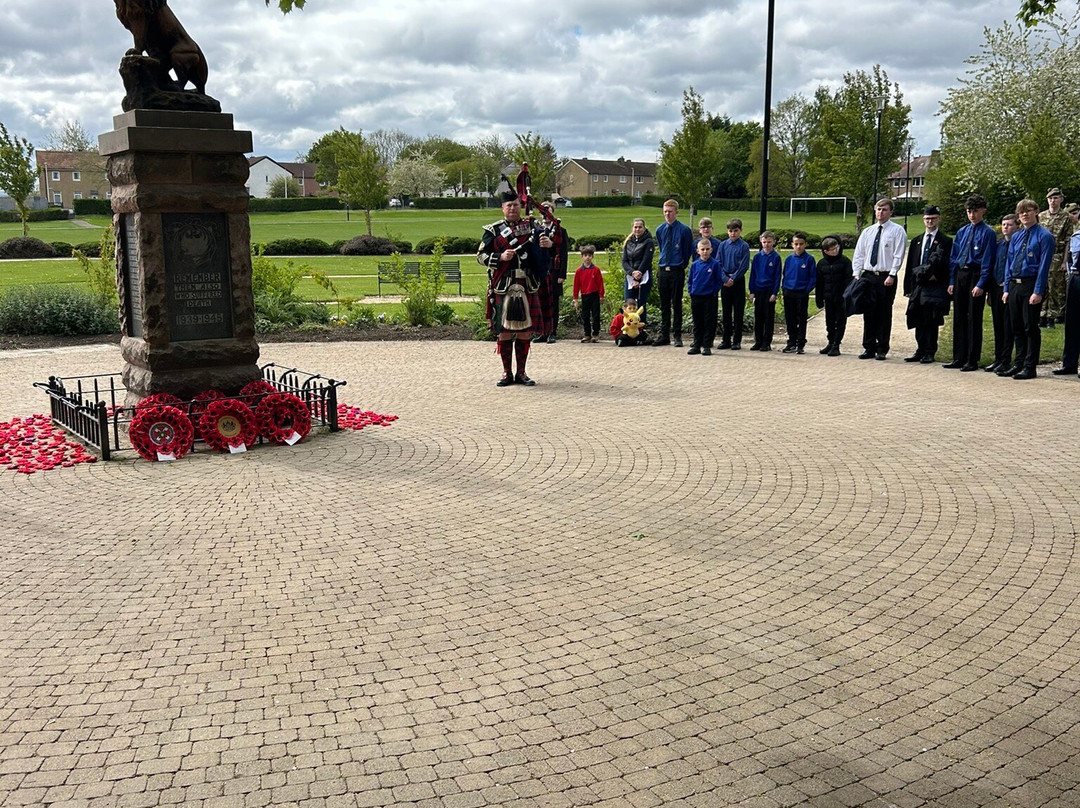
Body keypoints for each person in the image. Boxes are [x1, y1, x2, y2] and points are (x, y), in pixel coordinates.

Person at [478, 190, 552, 386]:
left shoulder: (533, 227)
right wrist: (500, 257)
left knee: (525, 331)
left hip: (527, 283)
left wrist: (548, 244)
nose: (512, 208)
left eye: (516, 205)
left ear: (521, 206)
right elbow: (480, 256)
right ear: (502, 208)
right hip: (504, 285)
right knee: (504, 331)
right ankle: (506, 373)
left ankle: (521, 372)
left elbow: (544, 253)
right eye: (508, 205)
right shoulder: (493, 231)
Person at [1001, 198, 1055, 380]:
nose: (1024, 214)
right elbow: (1009, 262)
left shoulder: (1044, 236)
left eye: (1028, 211)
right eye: (1021, 212)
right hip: (1015, 284)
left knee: (1029, 326)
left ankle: (1030, 366)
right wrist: (1006, 288)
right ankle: (1018, 363)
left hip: (1031, 284)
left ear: (1036, 212)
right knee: (1016, 326)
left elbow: (1043, 266)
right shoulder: (1016, 236)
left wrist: (1038, 291)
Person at [851, 197, 907, 360]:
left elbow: (898, 254)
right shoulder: (868, 231)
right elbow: (859, 253)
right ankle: (868, 346)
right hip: (868, 275)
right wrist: (856, 273)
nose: (881, 212)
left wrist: (892, 274)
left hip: (885, 276)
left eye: (884, 210)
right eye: (878, 209)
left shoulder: (897, 231)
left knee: (883, 312)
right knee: (869, 312)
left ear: (890, 212)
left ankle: (882, 347)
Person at [945, 195, 996, 371]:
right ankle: (958, 356)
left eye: (975, 211)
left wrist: (981, 284)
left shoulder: (988, 232)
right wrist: (952, 280)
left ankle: (972, 359)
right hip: (961, 274)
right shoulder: (962, 231)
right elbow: (954, 257)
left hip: (975, 274)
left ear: (983, 211)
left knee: (974, 317)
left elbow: (988, 260)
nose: (972, 215)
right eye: (969, 211)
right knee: (959, 316)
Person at [902, 205, 952, 364]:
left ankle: (930, 351)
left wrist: (935, 277)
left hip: (934, 285)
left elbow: (948, 265)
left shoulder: (945, 241)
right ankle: (920, 349)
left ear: (938, 219)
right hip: (918, 285)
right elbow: (910, 265)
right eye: (927, 219)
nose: (930, 221)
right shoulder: (917, 241)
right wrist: (908, 288)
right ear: (923, 220)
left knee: (931, 319)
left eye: (933, 219)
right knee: (917, 317)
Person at [652, 199, 694, 346]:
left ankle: (677, 335)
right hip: (663, 269)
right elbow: (662, 246)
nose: (667, 214)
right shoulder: (659, 230)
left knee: (676, 303)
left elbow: (687, 250)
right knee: (664, 304)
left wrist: (681, 265)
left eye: (670, 211)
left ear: (676, 212)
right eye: (665, 211)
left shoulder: (684, 230)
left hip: (676, 270)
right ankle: (664, 335)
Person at [533, 201, 569, 343]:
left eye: (548, 211)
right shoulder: (536, 229)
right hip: (540, 271)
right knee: (541, 301)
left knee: (553, 303)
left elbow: (564, 253)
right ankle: (542, 331)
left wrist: (562, 274)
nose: (546, 214)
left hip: (554, 270)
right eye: (543, 211)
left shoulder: (560, 230)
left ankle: (552, 332)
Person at [985, 214, 1017, 372]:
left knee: (1007, 325)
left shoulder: (1016, 244)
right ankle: (998, 358)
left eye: (1010, 224)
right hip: (996, 287)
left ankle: (1005, 359)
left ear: (1016, 226)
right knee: (997, 325)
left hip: (1010, 288)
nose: (1006, 227)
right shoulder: (999, 244)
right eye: (1004, 224)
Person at [1038, 187, 1073, 327]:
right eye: (1050, 198)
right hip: (1042, 255)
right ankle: (1041, 314)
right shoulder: (1041, 216)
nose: (1053, 201)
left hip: (1057, 255)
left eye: (1056, 198)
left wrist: (1065, 261)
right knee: (1043, 284)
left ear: (1061, 199)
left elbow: (1068, 241)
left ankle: (1052, 316)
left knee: (1055, 287)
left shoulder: (1066, 217)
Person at [1053, 210, 1080, 377]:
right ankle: (1069, 363)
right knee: (1072, 323)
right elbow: (1069, 259)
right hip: (1075, 279)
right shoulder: (1075, 236)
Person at [716, 219, 750, 350]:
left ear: (740, 231)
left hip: (738, 281)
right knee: (726, 312)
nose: (733, 233)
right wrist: (725, 278)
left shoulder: (744, 246)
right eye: (730, 231)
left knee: (738, 312)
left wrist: (733, 278)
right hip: (725, 281)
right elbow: (718, 263)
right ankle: (726, 340)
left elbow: (744, 265)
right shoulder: (723, 245)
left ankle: (737, 340)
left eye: (736, 231)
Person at [815, 235, 852, 356]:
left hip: (841, 297)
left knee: (840, 321)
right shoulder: (821, 264)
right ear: (826, 251)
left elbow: (849, 280)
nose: (836, 250)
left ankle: (836, 344)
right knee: (829, 321)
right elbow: (819, 282)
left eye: (837, 247)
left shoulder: (845, 261)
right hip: (828, 297)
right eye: (832, 249)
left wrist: (846, 295)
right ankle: (830, 342)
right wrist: (819, 298)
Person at [780, 232, 816, 354]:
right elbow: (785, 274)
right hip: (789, 291)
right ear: (792, 245)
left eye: (801, 244)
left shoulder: (809, 259)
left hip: (801, 292)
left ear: (805, 244)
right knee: (790, 318)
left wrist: (806, 290)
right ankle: (791, 341)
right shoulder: (789, 259)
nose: (798, 247)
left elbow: (812, 277)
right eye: (796, 244)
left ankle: (800, 342)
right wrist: (784, 288)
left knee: (801, 318)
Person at [686, 238, 723, 355]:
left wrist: (714, 292)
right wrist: (691, 290)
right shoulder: (695, 264)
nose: (705, 252)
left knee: (709, 322)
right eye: (702, 249)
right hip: (696, 296)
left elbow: (718, 280)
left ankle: (707, 345)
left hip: (709, 297)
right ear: (698, 251)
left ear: (711, 250)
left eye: (707, 249)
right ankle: (697, 344)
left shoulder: (715, 264)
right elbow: (690, 279)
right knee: (697, 322)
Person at [749, 231, 782, 351]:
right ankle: (758, 340)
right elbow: (753, 274)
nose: (766, 244)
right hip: (758, 290)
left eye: (769, 242)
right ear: (761, 242)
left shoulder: (776, 257)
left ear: (773, 242)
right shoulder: (757, 257)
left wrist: (774, 292)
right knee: (758, 317)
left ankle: (766, 342)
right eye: (764, 242)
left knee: (768, 317)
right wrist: (752, 291)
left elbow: (777, 277)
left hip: (769, 291)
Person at [621, 218, 655, 322]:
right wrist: (632, 273)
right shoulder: (628, 242)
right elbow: (624, 261)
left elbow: (646, 260)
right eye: (635, 227)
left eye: (640, 227)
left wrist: (638, 274)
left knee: (641, 303)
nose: (637, 229)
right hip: (630, 277)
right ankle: (628, 327)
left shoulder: (649, 242)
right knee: (628, 303)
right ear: (632, 228)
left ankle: (641, 328)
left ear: (644, 228)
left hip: (644, 276)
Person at [571, 244, 604, 343]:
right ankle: (587, 334)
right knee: (585, 315)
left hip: (594, 295)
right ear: (582, 257)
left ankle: (596, 333)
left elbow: (600, 283)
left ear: (592, 257)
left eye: (589, 256)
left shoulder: (596, 270)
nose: (587, 258)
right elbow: (576, 285)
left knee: (595, 315)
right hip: (585, 295)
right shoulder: (579, 271)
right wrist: (575, 298)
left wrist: (601, 295)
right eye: (585, 256)